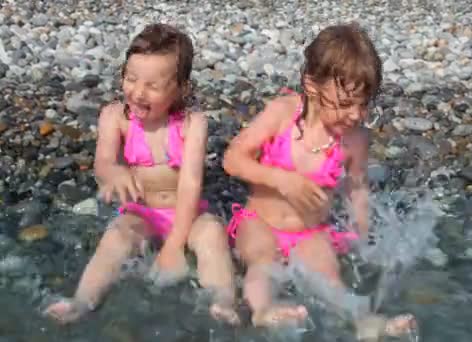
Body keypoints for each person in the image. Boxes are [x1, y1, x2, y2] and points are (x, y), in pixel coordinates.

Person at [222, 23, 418, 339]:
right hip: (260, 222)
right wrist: (281, 180)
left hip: (310, 231)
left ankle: (366, 323)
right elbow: (232, 159)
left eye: (363, 104)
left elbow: (357, 188)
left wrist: (362, 235)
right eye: (343, 104)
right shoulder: (282, 114)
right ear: (311, 86)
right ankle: (262, 311)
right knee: (261, 262)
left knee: (329, 275)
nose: (355, 115)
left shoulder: (354, 140)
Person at [43, 23, 239, 325]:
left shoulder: (192, 123)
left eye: (153, 86)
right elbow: (103, 162)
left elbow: (191, 183)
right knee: (117, 235)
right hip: (142, 212)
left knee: (212, 233)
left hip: (186, 212)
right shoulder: (114, 117)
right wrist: (114, 172)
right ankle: (82, 301)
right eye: (130, 79)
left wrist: (175, 244)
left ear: (181, 89)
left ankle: (223, 301)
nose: (137, 92)